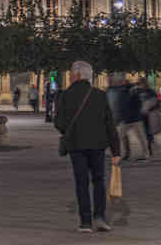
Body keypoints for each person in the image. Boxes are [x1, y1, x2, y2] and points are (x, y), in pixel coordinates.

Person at [55, 60, 121, 233]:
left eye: (71, 73)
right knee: (99, 180)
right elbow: (109, 124)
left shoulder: (65, 95)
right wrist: (116, 151)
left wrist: (70, 131)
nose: (69, 76)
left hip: (76, 145)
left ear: (77, 75)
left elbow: (59, 123)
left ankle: (85, 222)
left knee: (81, 182)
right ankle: (99, 217)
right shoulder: (99, 95)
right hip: (98, 145)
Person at [122, 81, 149, 161]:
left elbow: (140, 106)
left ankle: (145, 154)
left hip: (134, 119)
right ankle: (128, 153)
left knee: (141, 137)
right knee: (123, 136)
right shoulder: (130, 95)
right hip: (131, 119)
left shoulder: (134, 95)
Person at [106, 76, 130, 159]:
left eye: (111, 81)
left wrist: (123, 116)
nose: (110, 82)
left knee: (122, 136)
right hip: (112, 117)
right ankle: (115, 152)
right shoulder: (108, 91)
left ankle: (125, 152)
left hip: (120, 118)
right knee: (113, 136)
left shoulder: (121, 91)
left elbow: (124, 104)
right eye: (109, 81)